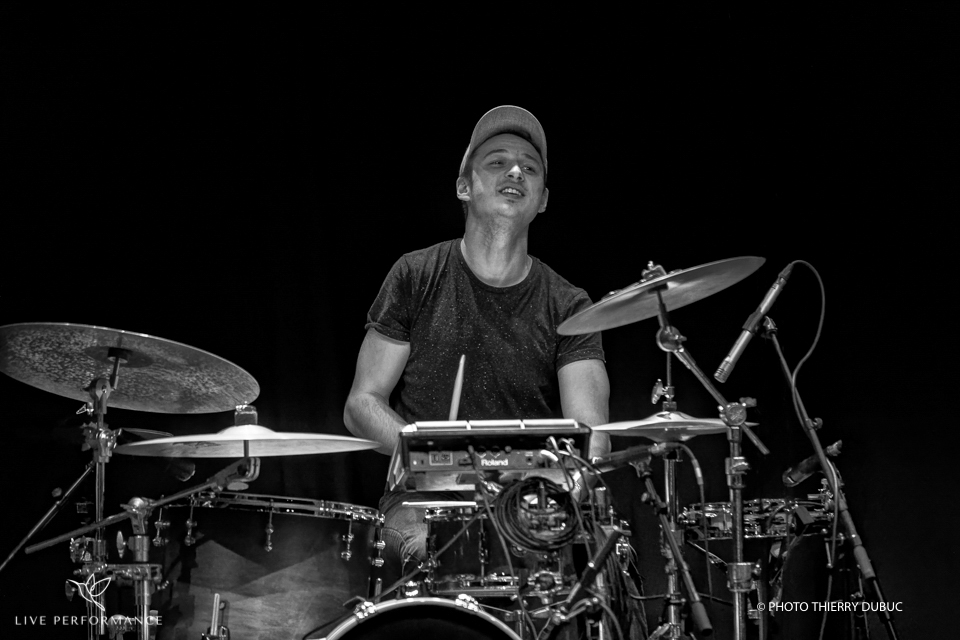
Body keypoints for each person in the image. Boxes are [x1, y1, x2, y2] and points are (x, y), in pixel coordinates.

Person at [343, 105, 610, 587]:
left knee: (603, 566)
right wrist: (435, 460)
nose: (516, 172)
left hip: (529, 501)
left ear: (543, 200)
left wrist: (542, 491)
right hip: (423, 502)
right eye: (498, 162)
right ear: (464, 187)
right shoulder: (416, 275)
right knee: (434, 550)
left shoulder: (569, 304)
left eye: (530, 168)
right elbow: (361, 404)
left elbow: (593, 437)